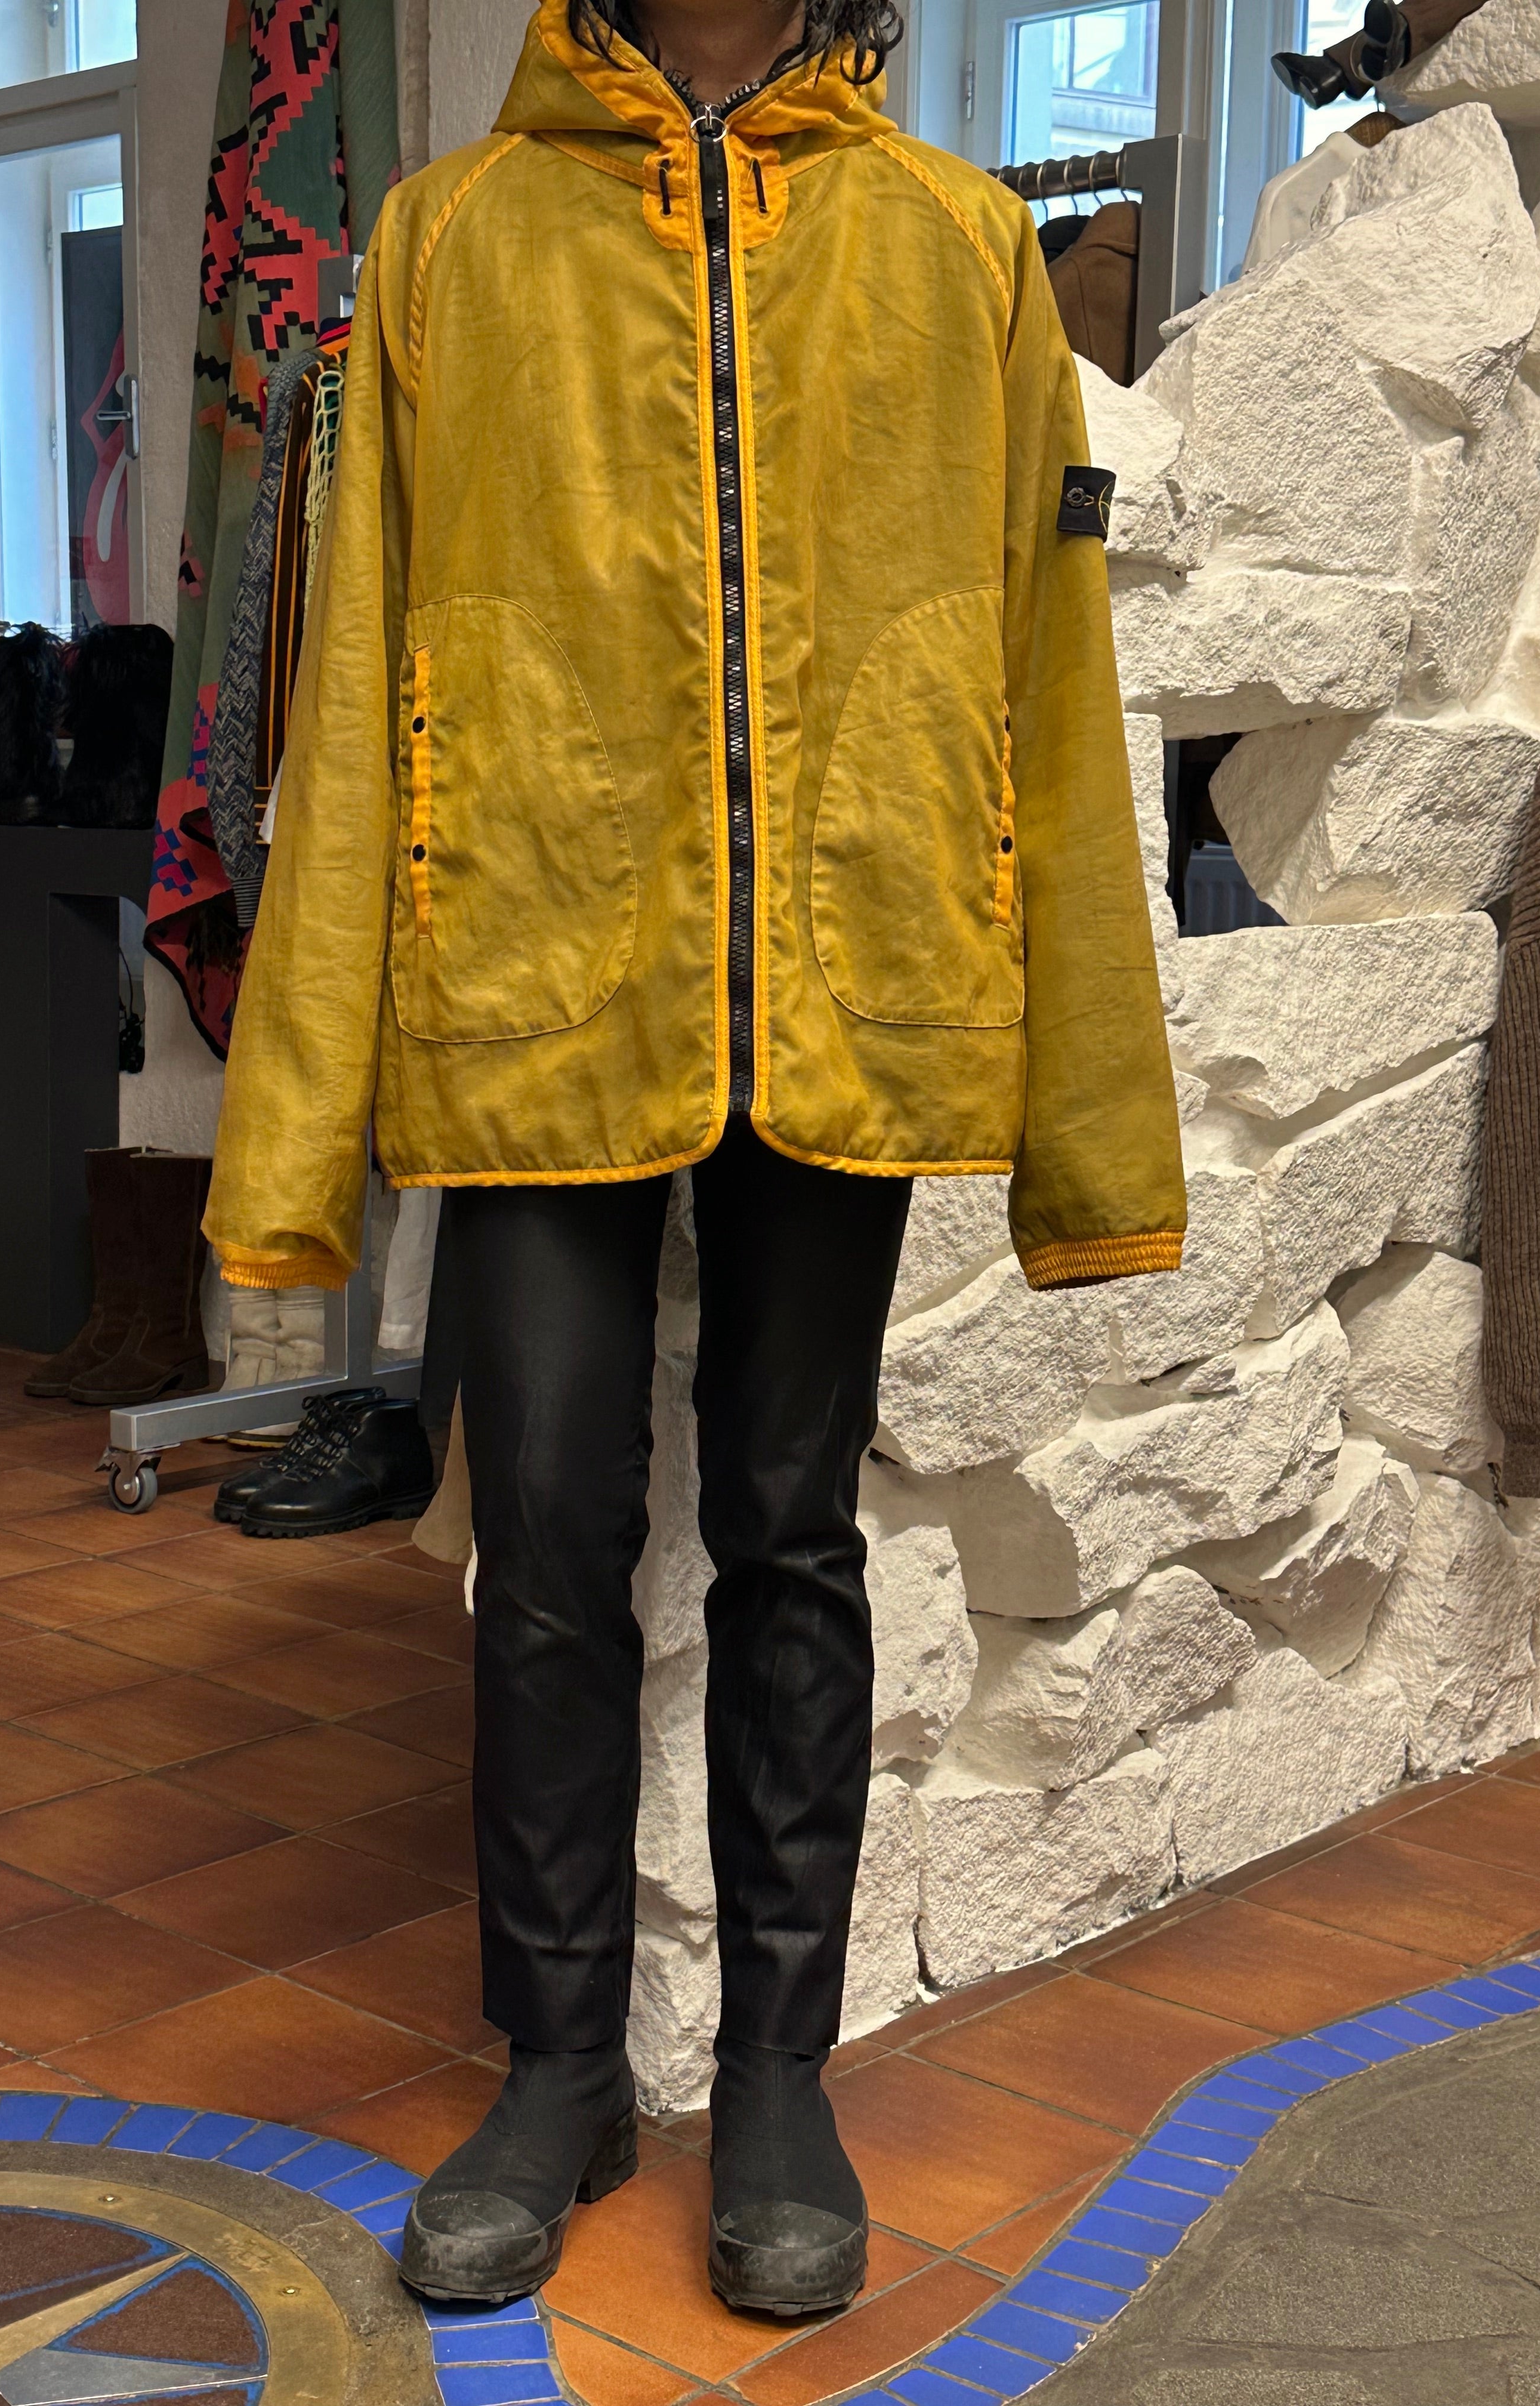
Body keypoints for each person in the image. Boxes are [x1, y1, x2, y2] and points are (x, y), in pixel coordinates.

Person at [204, 0, 1186, 2320]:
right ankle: (559, 2070)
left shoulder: (958, 247)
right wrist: (299, 1121)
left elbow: (1045, 674)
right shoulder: (447, 245)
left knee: (789, 1533)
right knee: (545, 1543)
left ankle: (775, 2075)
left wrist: (1087, 1107)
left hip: (849, 964)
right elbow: (358, 692)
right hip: (535, 961)